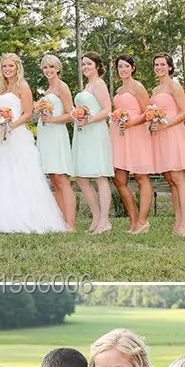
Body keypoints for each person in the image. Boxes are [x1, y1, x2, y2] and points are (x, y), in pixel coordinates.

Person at [0, 53, 69, 233]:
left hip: (17, 134)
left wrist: (10, 125)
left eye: (11, 66)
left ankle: (27, 218)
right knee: (1, 175)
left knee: (20, 176)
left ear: (17, 67)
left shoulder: (23, 86)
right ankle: (1, 218)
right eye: (4, 66)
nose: (7, 69)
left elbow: (27, 114)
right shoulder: (0, 87)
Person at [149, 53, 185, 237]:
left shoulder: (174, 86)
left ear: (169, 67)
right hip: (160, 136)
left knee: (179, 178)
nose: (159, 67)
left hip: (173, 134)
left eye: (162, 64)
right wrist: (153, 123)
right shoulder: (155, 90)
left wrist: (166, 124)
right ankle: (178, 221)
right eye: (156, 65)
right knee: (170, 179)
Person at [111, 54, 154, 234]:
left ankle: (143, 221)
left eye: (126, 66)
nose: (123, 70)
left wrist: (131, 122)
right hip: (120, 136)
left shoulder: (138, 87)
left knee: (141, 177)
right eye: (120, 67)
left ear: (133, 68)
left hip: (136, 134)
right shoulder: (119, 91)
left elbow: (149, 112)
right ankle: (134, 218)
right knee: (119, 180)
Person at [72, 52, 114, 235]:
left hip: (95, 132)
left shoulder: (99, 84)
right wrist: (76, 114)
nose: (85, 67)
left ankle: (105, 221)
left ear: (97, 66)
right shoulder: (88, 85)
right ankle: (96, 216)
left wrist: (89, 120)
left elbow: (107, 110)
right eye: (83, 64)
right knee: (81, 177)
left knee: (99, 176)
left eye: (89, 63)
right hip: (83, 133)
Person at [36, 55, 76, 229]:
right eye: (45, 67)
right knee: (54, 179)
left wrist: (52, 120)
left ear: (58, 68)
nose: (48, 70)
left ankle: (71, 225)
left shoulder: (62, 86)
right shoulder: (48, 89)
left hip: (56, 135)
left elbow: (71, 115)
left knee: (62, 179)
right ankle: (61, 223)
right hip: (45, 135)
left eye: (51, 67)